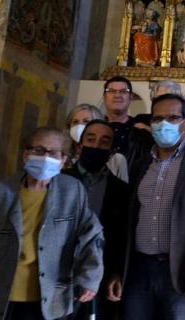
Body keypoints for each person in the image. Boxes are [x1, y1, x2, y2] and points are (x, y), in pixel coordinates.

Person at [0, 128, 103, 320]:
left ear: (63, 161)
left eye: (53, 153)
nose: (45, 157)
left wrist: (90, 277)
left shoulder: (72, 191)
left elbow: (92, 234)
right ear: (25, 155)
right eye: (38, 150)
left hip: (49, 303)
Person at [112, 93, 185, 319]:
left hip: (184, 272)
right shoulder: (141, 161)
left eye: (173, 118)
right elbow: (128, 218)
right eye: (157, 119)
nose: (164, 124)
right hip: (139, 271)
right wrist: (119, 270)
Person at [64, 120, 130, 320]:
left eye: (104, 142)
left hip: (99, 275)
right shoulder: (59, 180)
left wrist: (116, 273)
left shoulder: (122, 190)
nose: (96, 146)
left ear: (111, 151)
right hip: (58, 273)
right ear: (79, 146)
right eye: (90, 140)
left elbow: (121, 236)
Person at [66, 103, 128, 182]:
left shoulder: (116, 160)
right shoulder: (62, 156)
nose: (79, 126)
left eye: (86, 121)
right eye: (75, 122)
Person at [102, 75, 140, 163]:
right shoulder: (95, 126)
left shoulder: (139, 130)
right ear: (104, 97)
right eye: (111, 91)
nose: (117, 95)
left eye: (123, 91)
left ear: (130, 98)